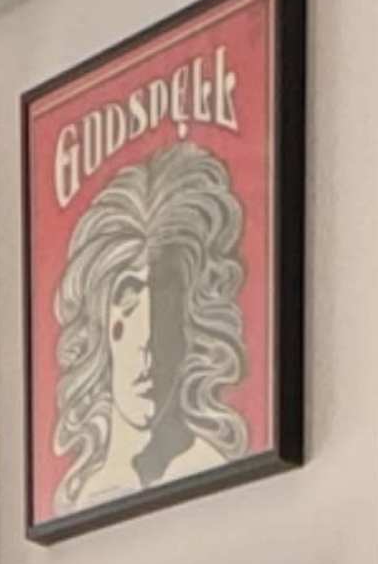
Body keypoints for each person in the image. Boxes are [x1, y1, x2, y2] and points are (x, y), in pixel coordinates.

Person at [42, 137, 251, 519]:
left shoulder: (207, 464)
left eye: (167, 298)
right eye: (128, 295)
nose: (148, 339)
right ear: (101, 321)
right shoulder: (79, 495)